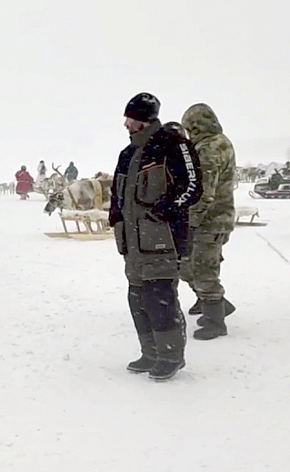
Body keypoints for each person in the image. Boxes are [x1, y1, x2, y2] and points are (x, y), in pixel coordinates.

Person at [109, 92, 202, 381]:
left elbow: (193, 185)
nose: (126, 124)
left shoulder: (172, 144)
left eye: (131, 119)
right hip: (133, 242)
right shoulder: (127, 154)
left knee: (159, 297)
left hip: (163, 239)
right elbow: (117, 192)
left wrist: (168, 208)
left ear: (145, 120)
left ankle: (171, 356)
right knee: (136, 296)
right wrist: (115, 217)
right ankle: (149, 353)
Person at [180, 104, 237, 340]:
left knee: (203, 269)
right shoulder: (219, 142)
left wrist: (190, 222)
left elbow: (204, 192)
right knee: (189, 265)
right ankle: (214, 304)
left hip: (209, 221)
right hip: (217, 219)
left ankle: (216, 320)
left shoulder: (209, 148)